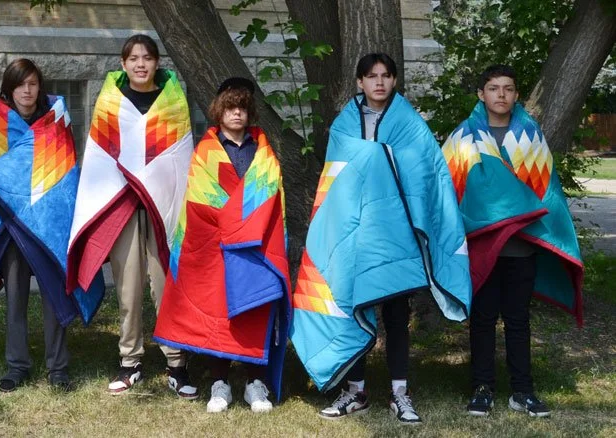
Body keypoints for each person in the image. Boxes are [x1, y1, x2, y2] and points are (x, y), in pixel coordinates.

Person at [290, 53, 471, 425]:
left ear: (394, 80)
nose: (379, 82)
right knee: (350, 305)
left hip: (398, 237)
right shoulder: (344, 123)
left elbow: (428, 171)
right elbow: (337, 176)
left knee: (397, 315)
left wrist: (375, 157)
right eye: (372, 76)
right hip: (354, 235)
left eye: (386, 76)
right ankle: (355, 391)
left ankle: (400, 393)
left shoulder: (409, 122)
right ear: (360, 82)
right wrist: (380, 157)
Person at [0, 58, 104, 393]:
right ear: (10, 89)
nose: (27, 91)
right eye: (20, 85)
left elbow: (65, 175)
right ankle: (17, 365)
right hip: (12, 229)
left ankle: (58, 368)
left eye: (33, 84)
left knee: (54, 293)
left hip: (49, 223)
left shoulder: (56, 120)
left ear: (40, 86)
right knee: (15, 298)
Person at [442, 65, 584, 418]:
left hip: (522, 247)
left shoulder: (530, 136)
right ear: (481, 94)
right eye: (493, 88)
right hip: (482, 247)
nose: (501, 95)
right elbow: (449, 189)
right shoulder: (464, 137)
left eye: (507, 88)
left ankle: (523, 391)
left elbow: (545, 190)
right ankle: (482, 388)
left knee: (518, 320)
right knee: (483, 318)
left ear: (516, 95)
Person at [65, 34, 197, 398]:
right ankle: (130, 361)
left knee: (166, 284)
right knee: (128, 287)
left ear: (157, 63)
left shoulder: (173, 102)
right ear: (123, 64)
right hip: (123, 207)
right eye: (134, 58)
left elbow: (179, 158)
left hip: (164, 209)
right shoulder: (111, 102)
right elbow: (100, 156)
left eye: (147, 58)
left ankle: (177, 362)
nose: (141, 64)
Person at [153, 77, 291, 413]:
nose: (237, 113)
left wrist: (248, 226)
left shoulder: (264, 153)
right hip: (216, 248)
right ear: (219, 110)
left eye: (242, 107)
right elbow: (200, 203)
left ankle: (255, 384)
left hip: (256, 248)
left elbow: (273, 200)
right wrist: (236, 222)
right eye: (230, 107)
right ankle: (220, 383)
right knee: (218, 314)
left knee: (255, 310)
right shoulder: (206, 152)